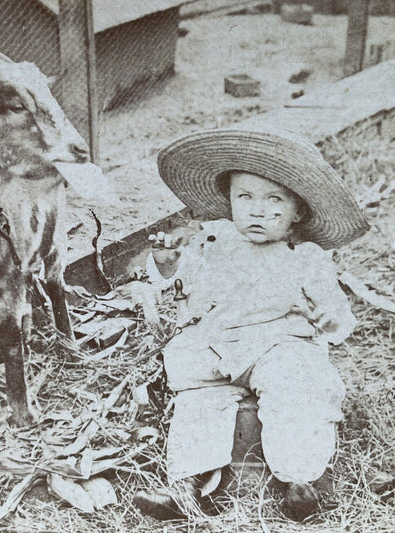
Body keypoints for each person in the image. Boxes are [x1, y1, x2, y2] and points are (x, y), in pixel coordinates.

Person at [133, 127, 369, 521]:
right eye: (245, 198)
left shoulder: (306, 256)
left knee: (297, 386)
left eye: (274, 200)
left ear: (299, 212)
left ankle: (299, 480)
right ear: (228, 200)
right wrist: (167, 262)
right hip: (217, 344)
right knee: (199, 399)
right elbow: (181, 282)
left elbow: (336, 309)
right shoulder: (214, 240)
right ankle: (188, 486)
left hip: (279, 343)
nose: (257, 210)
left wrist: (330, 316)